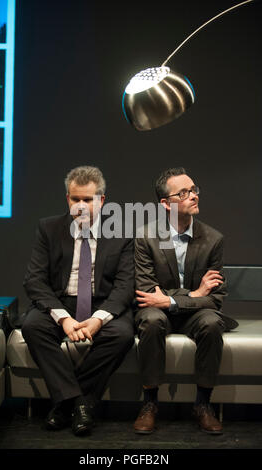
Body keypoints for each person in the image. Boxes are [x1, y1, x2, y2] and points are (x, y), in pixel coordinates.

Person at [22, 166, 135, 436]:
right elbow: (34, 281)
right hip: (62, 302)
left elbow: (125, 286)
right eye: (76, 199)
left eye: (88, 199)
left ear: (102, 200)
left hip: (101, 305)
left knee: (122, 335)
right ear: (67, 199)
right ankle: (80, 404)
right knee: (32, 326)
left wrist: (97, 320)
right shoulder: (49, 228)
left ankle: (66, 404)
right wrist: (64, 318)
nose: (81, 205)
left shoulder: (122, 233)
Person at [133, 167, 238, 435]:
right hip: (158, 312)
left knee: (212, 323)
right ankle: (150, 404)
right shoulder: (147, 237)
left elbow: (215, 299)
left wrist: (172, 301)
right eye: (184, 192)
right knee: (152, 319)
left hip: (195, 314)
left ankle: (203, 404)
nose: (193, 196)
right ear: (166, 204)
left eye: (193, 190)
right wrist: (194, 294)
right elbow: (147, 293)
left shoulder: (213, 239)